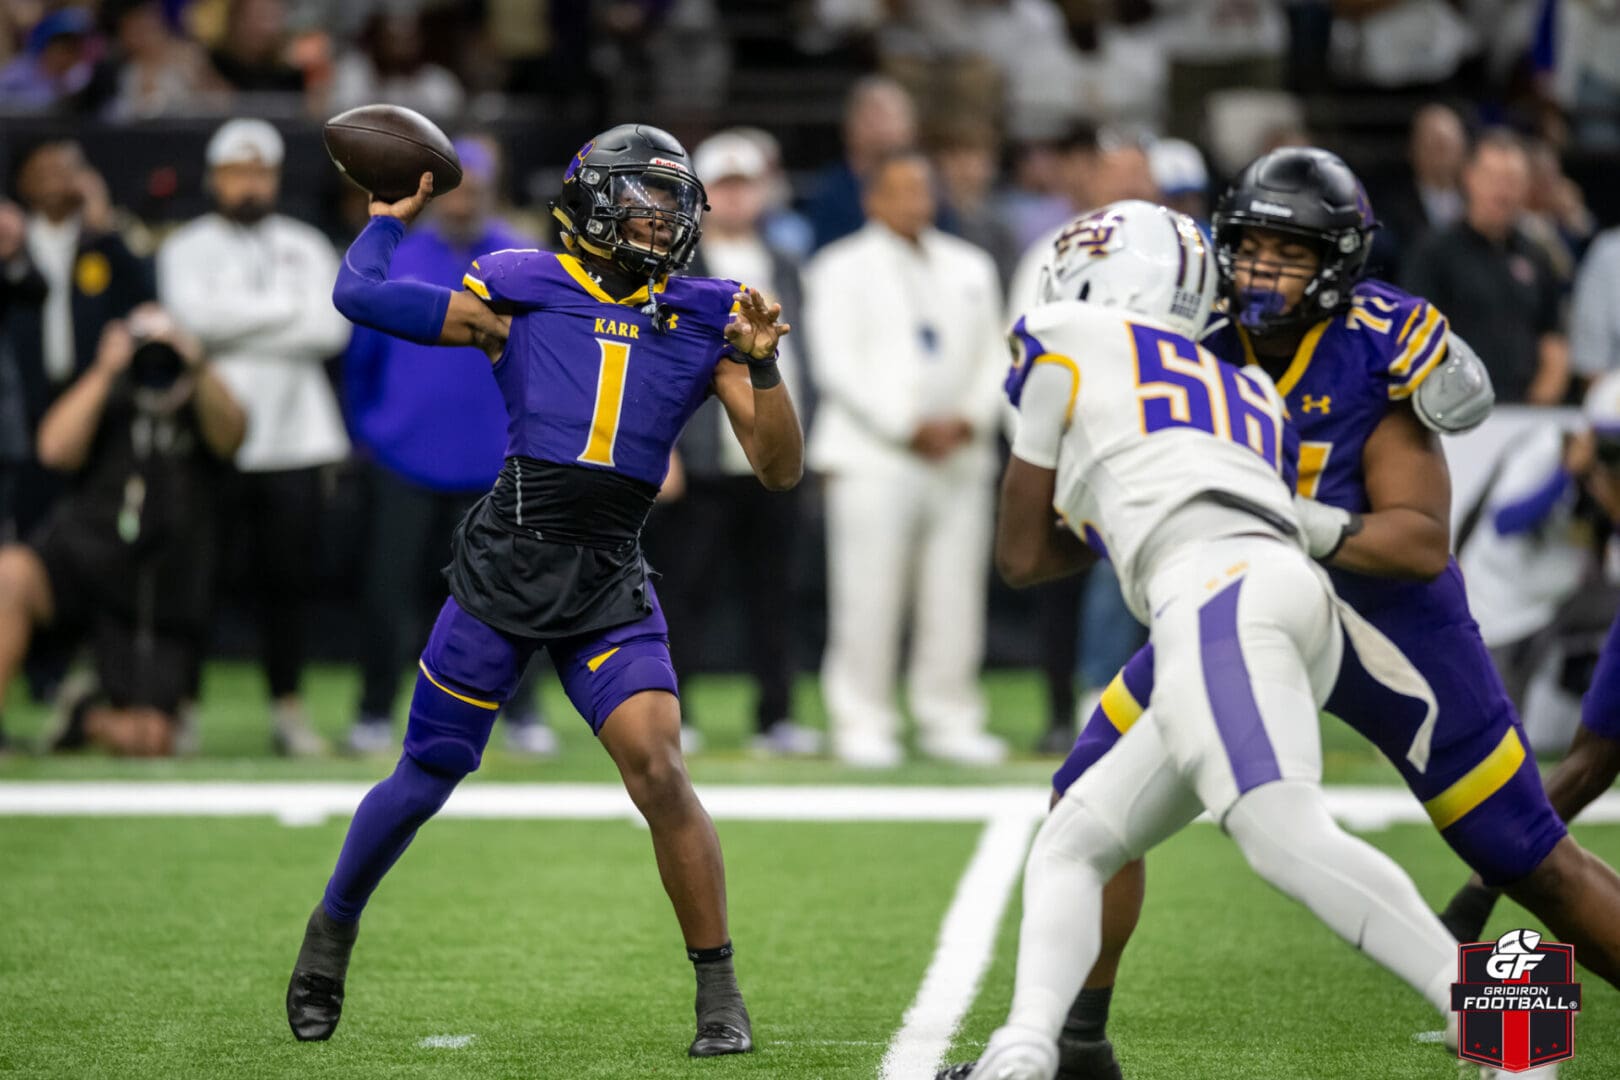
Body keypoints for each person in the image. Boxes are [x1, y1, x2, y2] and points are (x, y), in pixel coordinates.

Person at [942, 148, 1620, 1080]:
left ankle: (1515, 1043)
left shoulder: (1373, 340)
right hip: (1230, 589)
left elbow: (1421, 540)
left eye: (1288, 254)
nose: (1259, 271)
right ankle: (1075, 1045)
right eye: (1249, 248)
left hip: (1385, 615)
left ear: (1338, 266)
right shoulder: (1184, 331)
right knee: (1083, 813)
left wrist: (1291, 520)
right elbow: (1077, 518)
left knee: (1519, 851)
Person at [284, 124, 802, 1059]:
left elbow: (776, 469)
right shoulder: (519, 285)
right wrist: (386, 221)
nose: (664, 222)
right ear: (594, 203)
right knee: (429, 772)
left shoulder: (709, 313)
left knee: (660, 768)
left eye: (675, 206)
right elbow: (358, 296)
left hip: (607, 574)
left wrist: (763, 365)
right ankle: (331, 930)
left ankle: (719, 992)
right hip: (506, 565)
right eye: (645, 203)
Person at [963, 199, 1461, 1080]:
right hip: (1285, 594)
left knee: (1282, 830)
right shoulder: (1247, 388)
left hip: (1216, 590)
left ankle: (1517, 1034)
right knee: (1077, 837)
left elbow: (1021, 557)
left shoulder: (1063, 332)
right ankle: (1026, 1048)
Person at [341, 135, 556, 757]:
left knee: (512, 596)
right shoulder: (400, 256)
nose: (464, 203)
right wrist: (370, 434)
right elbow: (361, 360)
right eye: (454, 190)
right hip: (403, 457)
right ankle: (374, 711)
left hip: (498, 461)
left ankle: (522, 715)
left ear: (493, 187)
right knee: (387, 593)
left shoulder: (523, 263)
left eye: (476, 187)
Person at [804, 150, 1007, 768]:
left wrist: (971, 417)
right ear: (873, 199)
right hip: (873, 457)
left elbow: (999, 353)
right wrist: (905, 426)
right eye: (901, 191)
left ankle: (950, 716)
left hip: (960, 455)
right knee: (867, 592)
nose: (915, 202)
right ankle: (862, 720)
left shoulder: (970, 265)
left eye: (924, 191)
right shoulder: (837, 268)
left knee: (955, 592)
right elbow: (835, 363)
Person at [158, 118, 352, 757]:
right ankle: (182, 708)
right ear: (215, 177)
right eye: (236, 172)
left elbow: (332, 330)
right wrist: (282, 313)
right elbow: (189, 322)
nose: (248, 184)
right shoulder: (185, 247)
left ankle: (287, 710)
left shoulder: (308, 244)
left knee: (288, 587)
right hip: (211, 439)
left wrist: (228, 323)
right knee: (195, 581)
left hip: (298, 442)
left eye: (259, 172)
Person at [0, 303, 245, 756]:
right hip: (80, 566)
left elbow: (233, 436)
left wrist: (196, 363)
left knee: (150, 738)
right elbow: (53, 449)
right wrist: (106, 368)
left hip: (157, 595)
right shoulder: (109, 390)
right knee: (10, 571)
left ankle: (84, 716)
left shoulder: (197, 397)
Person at [648, 130, 818, 757]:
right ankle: (676, 714)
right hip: (701, 458)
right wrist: (660, 447)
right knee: (682, 592)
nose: (736, 197)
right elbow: (656, 364)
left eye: (745, 184)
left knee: (775, 593)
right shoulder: (674, 267)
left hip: (769, 456)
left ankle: (775, 716)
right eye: (724, 185)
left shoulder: (789, 262)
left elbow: (810, 363)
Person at [1402, 131, 1567, 405]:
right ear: (1469, 177)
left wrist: (1540, 404)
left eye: (1513, 180)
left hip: (1525, 413)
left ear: (1527, 186)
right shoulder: (1433, 252)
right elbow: (1414, 338)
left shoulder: (1537, 256)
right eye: (1493, 178)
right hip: (1452, 409)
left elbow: (1553, 339)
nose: (1503, 191)